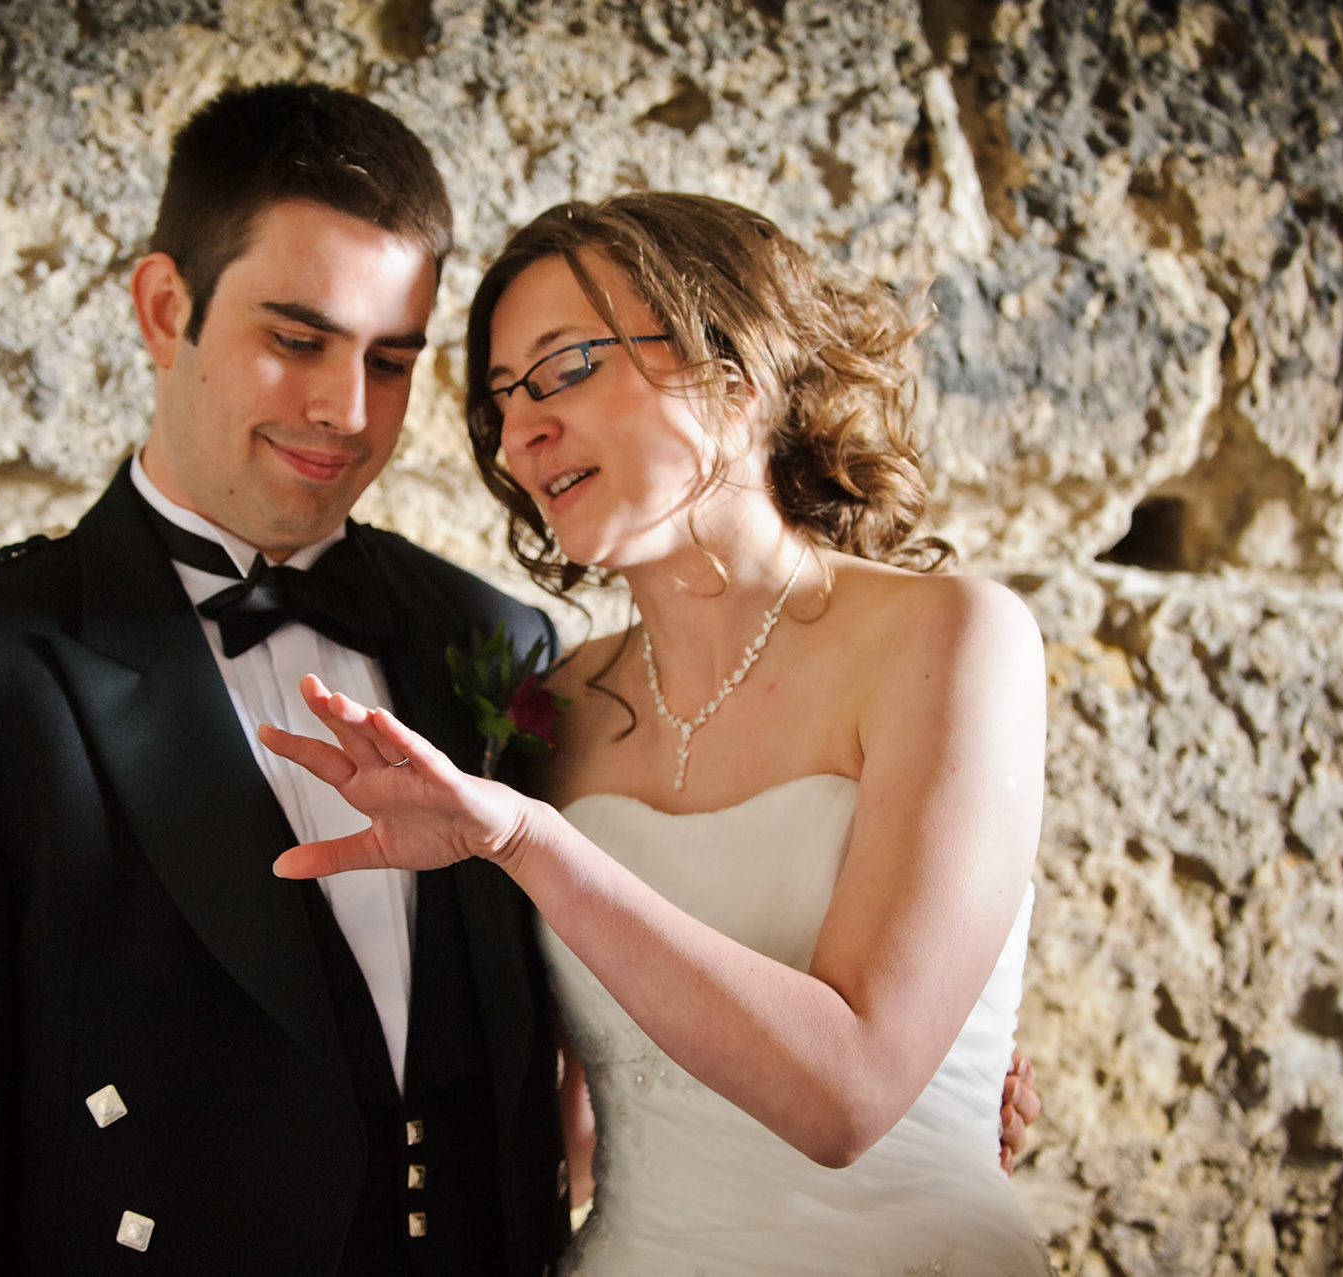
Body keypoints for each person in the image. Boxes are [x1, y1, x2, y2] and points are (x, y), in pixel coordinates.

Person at [0, 83, 572, 1274]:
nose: (346, 411)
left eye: (393, 358)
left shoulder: (500, 638)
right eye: (297, 339)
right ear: (166, 309)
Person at [261, 192, 1052, 1274]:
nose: (523, 429)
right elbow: (569, 1126)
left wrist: (531, 844)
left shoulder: (955, 637)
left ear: (738, 370)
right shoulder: (558, 705)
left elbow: (850, 1097)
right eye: (502, 398)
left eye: (568, 366)